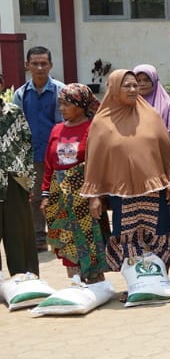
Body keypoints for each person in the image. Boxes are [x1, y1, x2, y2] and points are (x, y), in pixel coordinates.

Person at [83, 70, 170, 277]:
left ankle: (161, 281)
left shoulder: (151, 115)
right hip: (122, 193)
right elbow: (95, 161)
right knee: (127, 236)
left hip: (154, 190)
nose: (133, 89)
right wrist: (95, 197)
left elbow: (164, 150)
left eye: (135, 85)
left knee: (160, 232)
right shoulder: (101, 123)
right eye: (127, 86)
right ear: (114, 88)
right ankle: (137, 283)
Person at [40, 83, 107, 284]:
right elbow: (49, 164)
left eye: (66, 104)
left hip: (84, 194)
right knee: (66, 237)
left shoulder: (93, 128)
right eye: (60, 104)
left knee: (89, 238)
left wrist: (96, 197)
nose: (61, 108)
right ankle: (75, 282)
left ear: (80, 104)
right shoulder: (57, 129)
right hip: (59, 195)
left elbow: (97, 162)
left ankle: (96, 283)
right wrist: (45, 195)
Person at [14, 45, 64, 252]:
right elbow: (16, 127)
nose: (40, 68)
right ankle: (38, 238)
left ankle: (59, 236)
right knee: (34, 197)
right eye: (35, 64)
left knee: (58, 196)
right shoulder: (21, 94)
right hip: (31, 155)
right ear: (27, 66)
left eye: (44, 63)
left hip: (59, 156)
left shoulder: (61, 91)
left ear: (51, 65)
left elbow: (66, 124)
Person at [0, 72, 40, 276]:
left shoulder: (14, 113)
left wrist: (28, 183)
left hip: (15, 181)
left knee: (19, 235)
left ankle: (26, 279)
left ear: (1, 84)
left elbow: (27, 146)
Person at [133, 64, 170, 149]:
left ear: (154, 81)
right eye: (138, 81)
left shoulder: (167, 104)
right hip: (135, 151)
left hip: (161, 151)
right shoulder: (130, 103)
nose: (142, 84)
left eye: (146, 80)